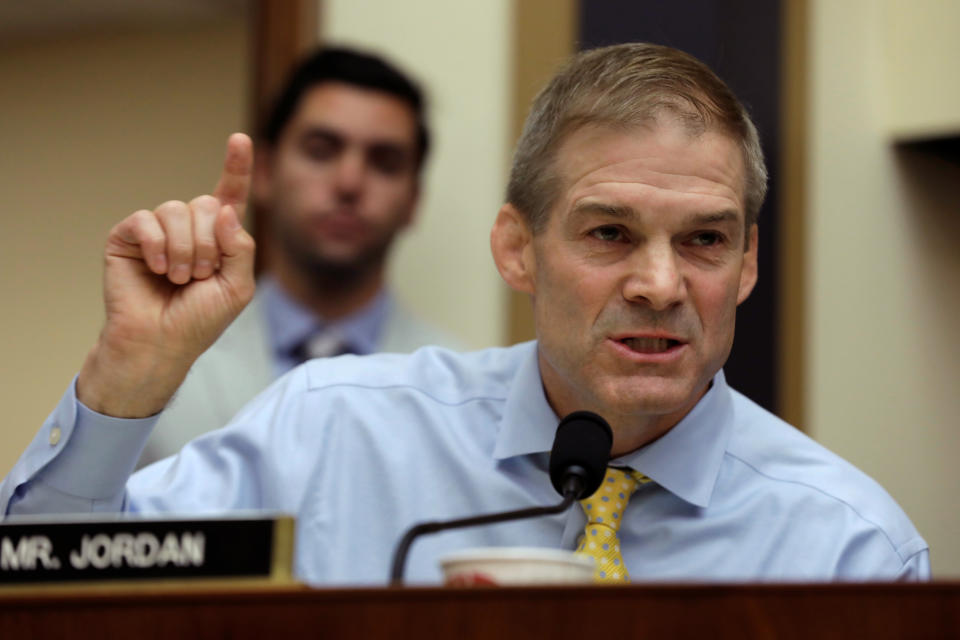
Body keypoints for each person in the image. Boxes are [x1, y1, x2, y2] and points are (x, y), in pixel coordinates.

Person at [1, 43, 928, 585]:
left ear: (748, 263)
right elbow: (44, 587)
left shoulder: (850, 546)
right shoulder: (332, 431)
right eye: (608, 233)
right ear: (515, 248)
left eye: (705, 240)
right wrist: (130, 376)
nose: (659, 284)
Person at [137, 46, 461, 466]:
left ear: (414, 200)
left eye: (385, 162)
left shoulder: (455, 386)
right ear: (267, 173)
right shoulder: (170, 359)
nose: (350, 182)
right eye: (321, 150)